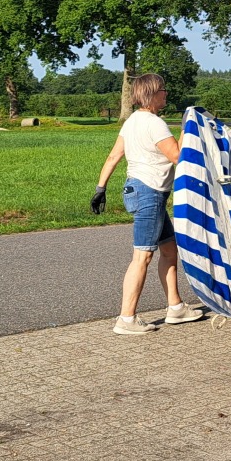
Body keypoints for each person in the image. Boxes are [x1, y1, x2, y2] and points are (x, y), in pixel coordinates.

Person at [91, 73, 204, 336]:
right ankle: (126, 319)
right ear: (152, 94)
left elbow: (114, 155)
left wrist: (100, 188)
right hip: (149, 193)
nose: (166, 94)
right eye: (163, 90)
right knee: (142, 256)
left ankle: (176, 307)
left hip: (138, 190)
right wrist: (187, 130)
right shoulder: (155, 123)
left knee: (169, 250)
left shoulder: (131, 121)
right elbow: (179, 157)